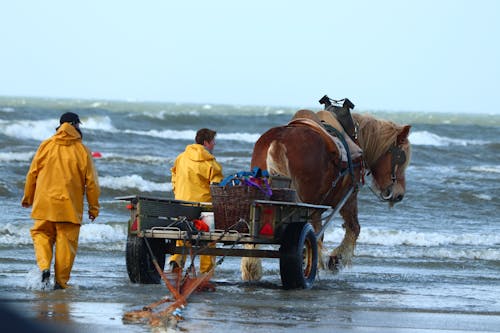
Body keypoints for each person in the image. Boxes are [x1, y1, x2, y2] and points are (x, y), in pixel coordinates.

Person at [21, 112, 100, 290]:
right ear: (74, 125)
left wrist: (28, 197)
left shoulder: (46, 145)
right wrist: (93, 208)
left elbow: (32, 173)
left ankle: (44, 268)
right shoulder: (82, 150)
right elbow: (92, 183)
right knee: (66, 245)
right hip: (69, 208)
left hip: (44, 205)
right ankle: (61, 283)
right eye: (78, 125)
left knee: (41, 235)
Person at [169, 128, 223, 273]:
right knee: (208, 237)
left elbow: (174, 175)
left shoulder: (181, 157)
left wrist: (177, 191)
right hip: (204, 206)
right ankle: (206, 270)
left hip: (181, 203)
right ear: (206, 142)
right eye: (213, 142)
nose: (214, 144)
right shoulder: (211, 163)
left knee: (182, 235)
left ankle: (176, 261)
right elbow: (217, 188)